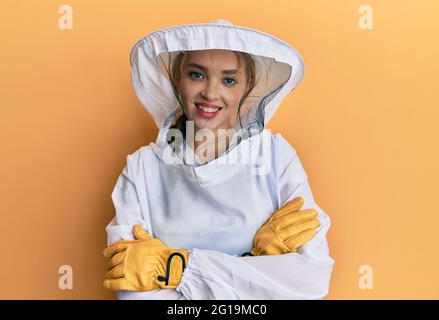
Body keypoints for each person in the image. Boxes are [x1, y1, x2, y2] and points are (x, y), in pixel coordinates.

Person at [103, 19, 335, 300]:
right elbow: (133, 295)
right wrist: (256, 264)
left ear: (246, 86)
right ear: (177, 77)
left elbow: (311, 280)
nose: (210, 94)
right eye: (197, 75)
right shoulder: (141, 168)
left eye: (228, 80)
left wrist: (176, 269)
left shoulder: (276, 157)